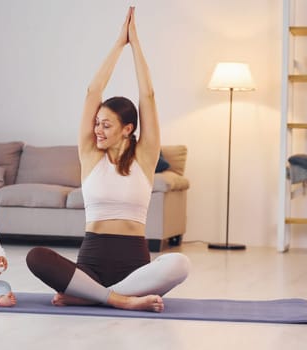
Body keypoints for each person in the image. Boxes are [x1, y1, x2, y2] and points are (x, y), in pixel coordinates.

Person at [26, 7, 190, 313]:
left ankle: (94, 297)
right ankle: (120, 299)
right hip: (92, 262)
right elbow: (93, 91)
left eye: (106, 124)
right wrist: (118, 44)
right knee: (36, 257)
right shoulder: (90, 155)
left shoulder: (144, 156)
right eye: (97, 122)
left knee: (180, 263)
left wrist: (136, 44)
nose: (97, 129)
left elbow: (149, 95)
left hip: (134, 265)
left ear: (128, 129)